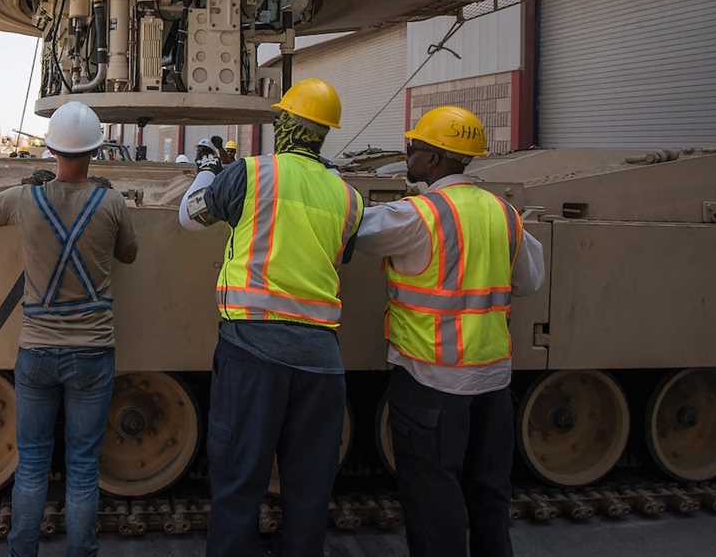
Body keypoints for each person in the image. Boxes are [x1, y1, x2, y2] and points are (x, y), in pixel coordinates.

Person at [178, 78, 364, 557]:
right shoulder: (348, 196)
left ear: (283, 123)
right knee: (308, 489)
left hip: (254, 352)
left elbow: (189, 215)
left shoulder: (251, 174)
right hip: (322, 360)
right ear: (325, 134)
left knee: (240, 480)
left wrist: (206, 170)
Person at [354, 105, 545, 557]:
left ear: (437, 158)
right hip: (493, 381)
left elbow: (355, 231)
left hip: (430, 381)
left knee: (433, 498)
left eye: (414, 148)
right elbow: (530, 281)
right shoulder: (504, 214)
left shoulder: (418, 215)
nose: (407, 156)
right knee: (489, 494)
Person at [0, 100, 138, 557]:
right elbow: (129, 254)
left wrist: (22, 182)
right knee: (83, 466)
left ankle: (22, 551)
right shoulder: (112, 201)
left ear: (51, 149)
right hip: (93, 352)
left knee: (32, 465)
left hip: (38, 351)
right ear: (96, 152)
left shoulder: (27, 199)